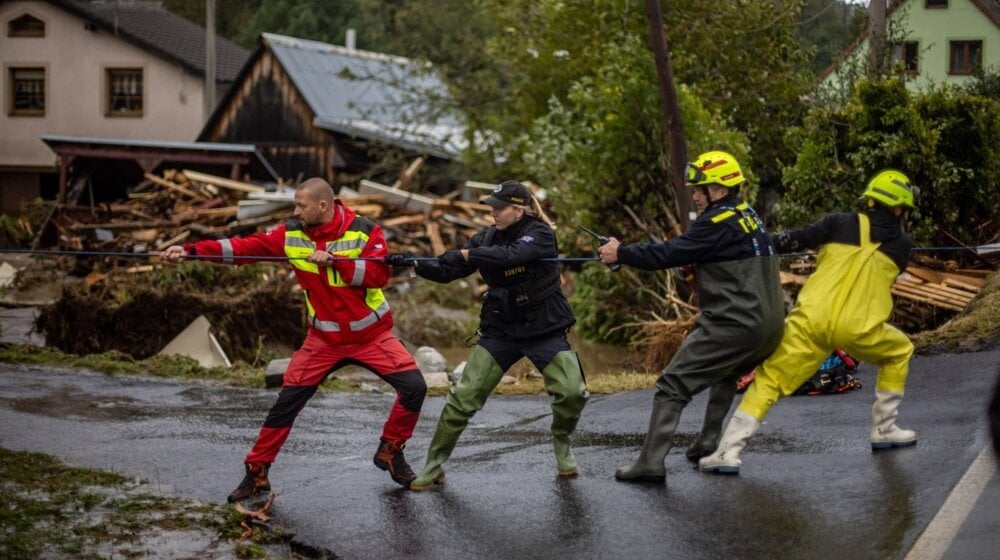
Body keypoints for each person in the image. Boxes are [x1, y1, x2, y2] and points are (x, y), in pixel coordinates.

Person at [161, 178, 427, 501]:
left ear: (323, 206)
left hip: (370, 335)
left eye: (301, 206)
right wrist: (190, 252)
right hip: (323, 340)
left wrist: (336, 261)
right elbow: (245, 248)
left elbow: (378, 275)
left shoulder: (364, 230)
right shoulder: (290, 233)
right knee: (285, 405)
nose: (295, 211)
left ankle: (390, 450)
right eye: (295, 205)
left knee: (415, 388)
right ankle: (256, 473)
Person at [700, 169, 919, 475]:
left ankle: (727, 452)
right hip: (860, 327)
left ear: (870, 200)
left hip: (811, 319)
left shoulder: (839, 222)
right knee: (899, 352)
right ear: (898, 208)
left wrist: (749, 244)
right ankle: (883, 430)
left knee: (770, 380)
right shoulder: (903, 247)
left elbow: (793, 240)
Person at [386, 180, 589, 490]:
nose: (492, 212)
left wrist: (469, 254)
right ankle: (434, 466)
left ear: (518, 210)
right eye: (491, 207)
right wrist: (415, 263)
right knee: (462, 398)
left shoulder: (540, 233)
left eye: (499, 207)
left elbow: (512, 256)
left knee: (572, 391)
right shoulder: (485, 238)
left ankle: (561, 442)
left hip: (543, 327)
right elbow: (448, 271)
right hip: (502, 329)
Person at [597, 150, 785, 482]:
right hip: (769, 326)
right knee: (725, 372)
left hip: (736, 323)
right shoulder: (747, 215)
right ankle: (708, 441)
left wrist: (620, 252)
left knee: (672, 385)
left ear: (720, 190)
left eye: (700, 189)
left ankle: (650, 463)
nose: (695, 195)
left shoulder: (715, 223)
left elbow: (668, 253)